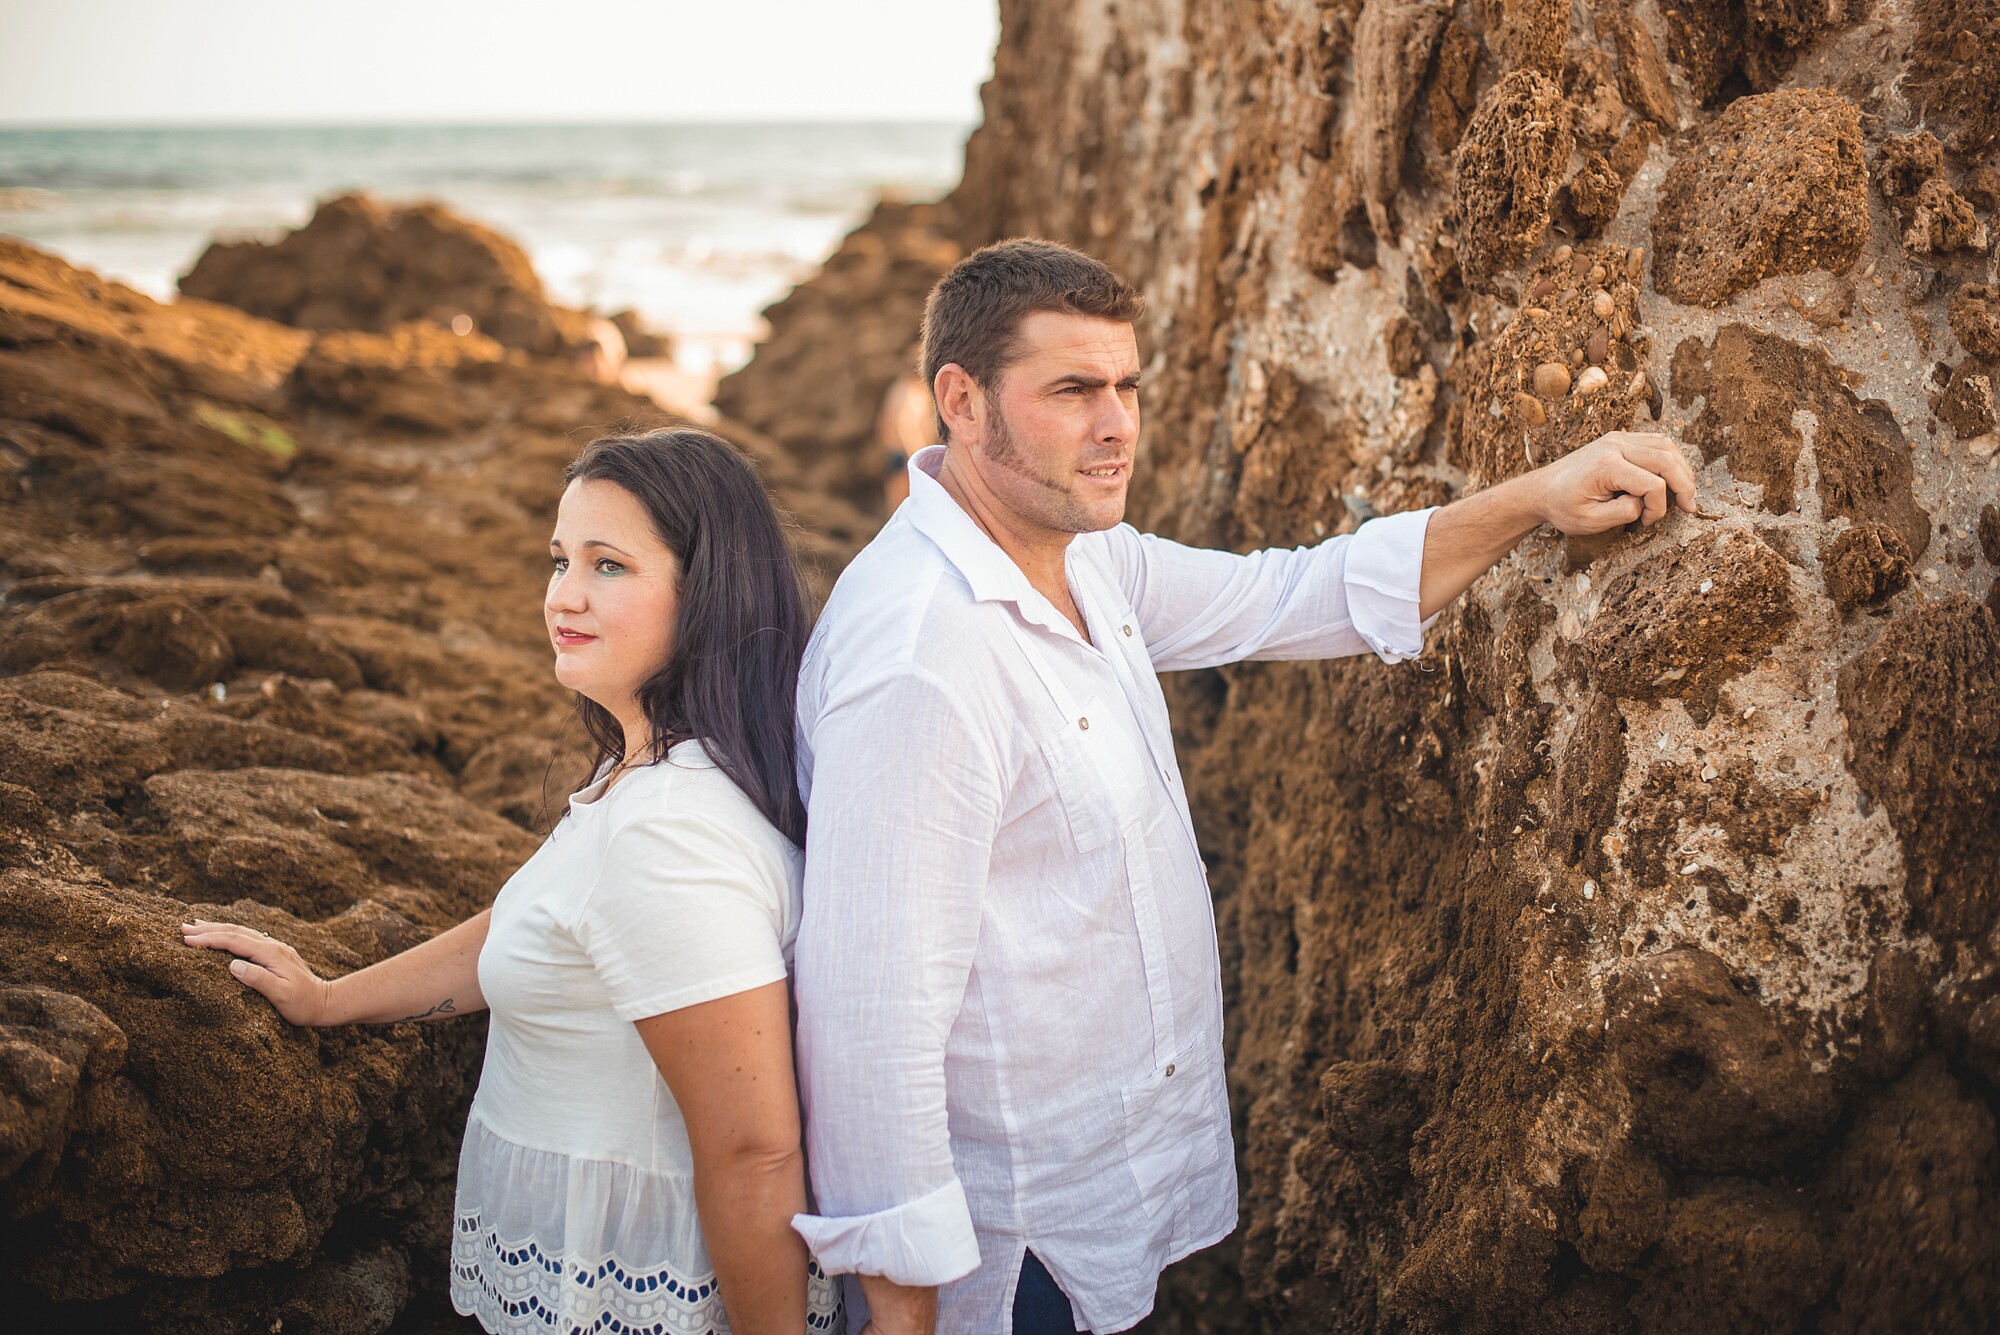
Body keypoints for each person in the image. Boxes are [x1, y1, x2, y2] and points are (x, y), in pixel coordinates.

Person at [788, 239, 1698, 1334]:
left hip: (1101, 1209)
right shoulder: (919, 659)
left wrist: (1534, 500)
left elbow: (1294, 595)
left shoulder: (1085, 559)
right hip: (997, 1258)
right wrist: (899, 1315)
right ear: (961, 400)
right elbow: (867, 1030)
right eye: (1072, 390)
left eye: (1126, 385)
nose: (1116, 423)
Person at [183, 428, 843, 1335]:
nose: (564, 595)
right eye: (560, 558)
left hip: (625, 1298)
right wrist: (329, 999)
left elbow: (755, 1153)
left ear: (707, 596)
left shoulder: (668, 833)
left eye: (608, 565)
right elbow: (528, 925)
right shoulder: (647, 779)